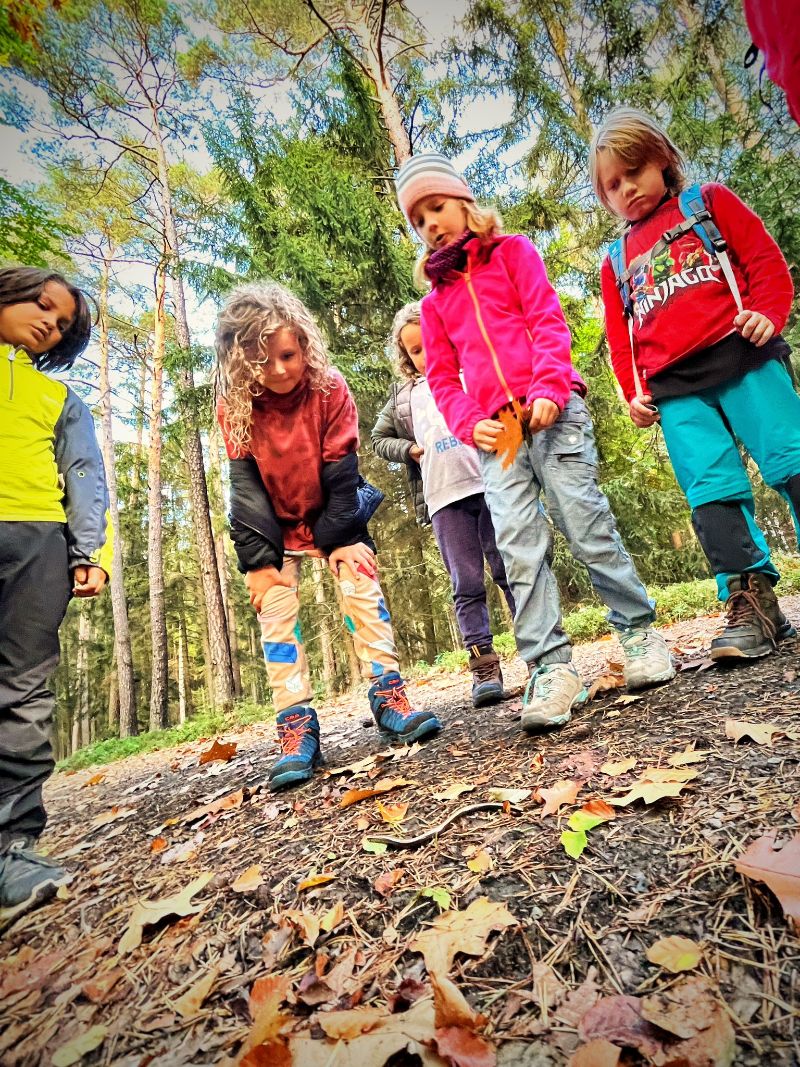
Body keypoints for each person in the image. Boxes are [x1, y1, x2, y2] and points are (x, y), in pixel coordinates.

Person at [394, 153, 675, 733]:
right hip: (499, 433)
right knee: (519, 549)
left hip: (555, 411)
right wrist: (472, 424)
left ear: (465, 203)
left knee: (585, 524)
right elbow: (443, 381)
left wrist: (549, 385)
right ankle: (550, 667)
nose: (431, 224)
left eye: (438, 207)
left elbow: (547, 321)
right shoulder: (434, 304)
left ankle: (639, 635)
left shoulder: (514, 253)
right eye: (419, 219)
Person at [590, 107, 800, 661]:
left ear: (663, 159)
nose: (627, 188)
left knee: (792, 462)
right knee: (710, 493)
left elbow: (766, 264)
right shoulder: (615, 260)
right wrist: (631, 389)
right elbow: (621, 336)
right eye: (612, 184)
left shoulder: (706, 203)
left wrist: (768, 315)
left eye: (633, 170)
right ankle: (752, 600)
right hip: (676, 390)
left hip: (746, 357)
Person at [215, 282, 441, 792]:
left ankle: (389, 695)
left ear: (304, 345)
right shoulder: (235, 405)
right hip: (271, 525)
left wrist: (340, 534)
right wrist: (258, 560)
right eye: (260, 360)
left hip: (331, 512)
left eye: (288, 355)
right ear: (238, 359)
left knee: (360, 580)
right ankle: (295, 726)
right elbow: (244, 487)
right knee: (274, 610)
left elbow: (342, 469)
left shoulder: (329, 388)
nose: (278, 370)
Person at [0, 266, 112, 923]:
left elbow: (84, 471)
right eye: (43, 304)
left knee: (22, 689)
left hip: (37, 543)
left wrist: (85, 550)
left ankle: (15, 846)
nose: (50, 320)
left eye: (63, 322)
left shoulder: (58, 397)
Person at [372, 301, 516, 708]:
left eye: (430, 343)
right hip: (443, 498)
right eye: (415, 351)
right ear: (406, 356)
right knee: (466, 583)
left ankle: (539, 653)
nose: (424, 355)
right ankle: (483, 665)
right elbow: (378, 437)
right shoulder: (405, 396)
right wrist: (410, 449)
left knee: (509, 568)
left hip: (490, 486)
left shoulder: (471, 375)